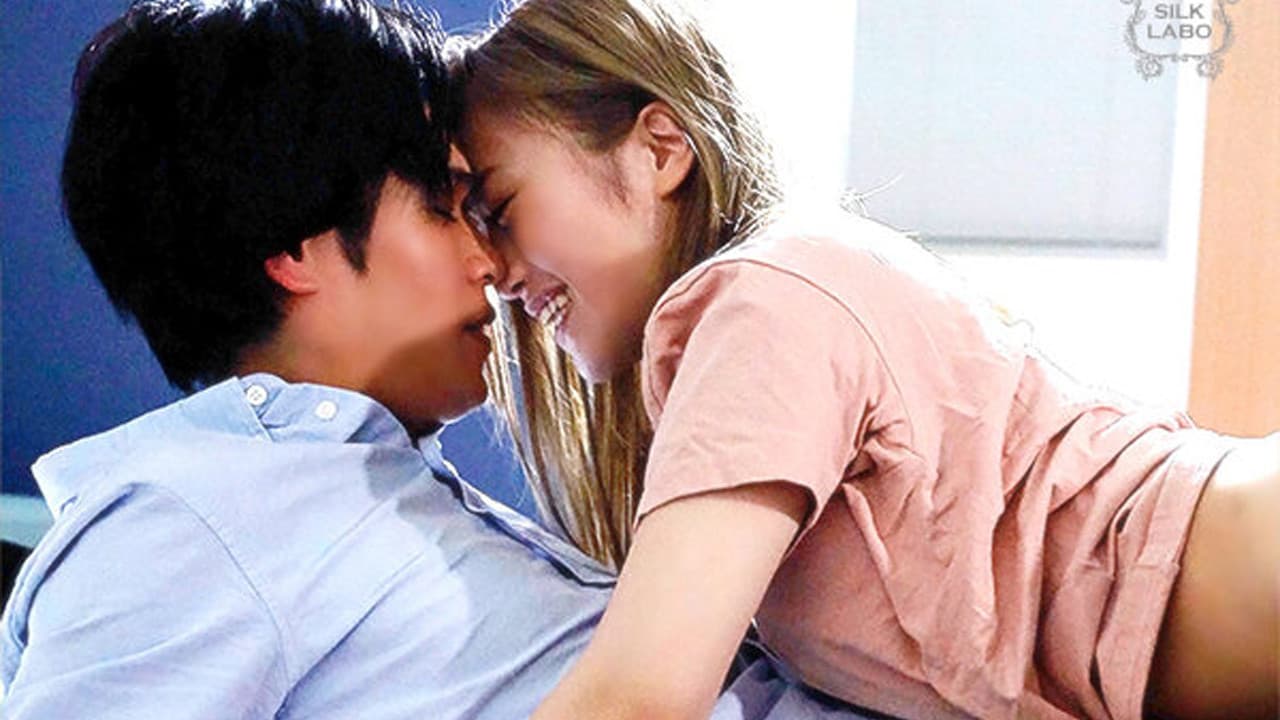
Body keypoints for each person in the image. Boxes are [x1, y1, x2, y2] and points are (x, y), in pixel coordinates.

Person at [0, 2, 880, 718]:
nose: (491, 264)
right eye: (443, 206)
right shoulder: (183, 520)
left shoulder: (383, 492)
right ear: (296, 247)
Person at [449, 0, 1280, 718]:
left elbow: (637, 698)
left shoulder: (756, 304)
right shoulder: (775, 302)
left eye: (504, 210)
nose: (498, 273)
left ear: (661, 148)